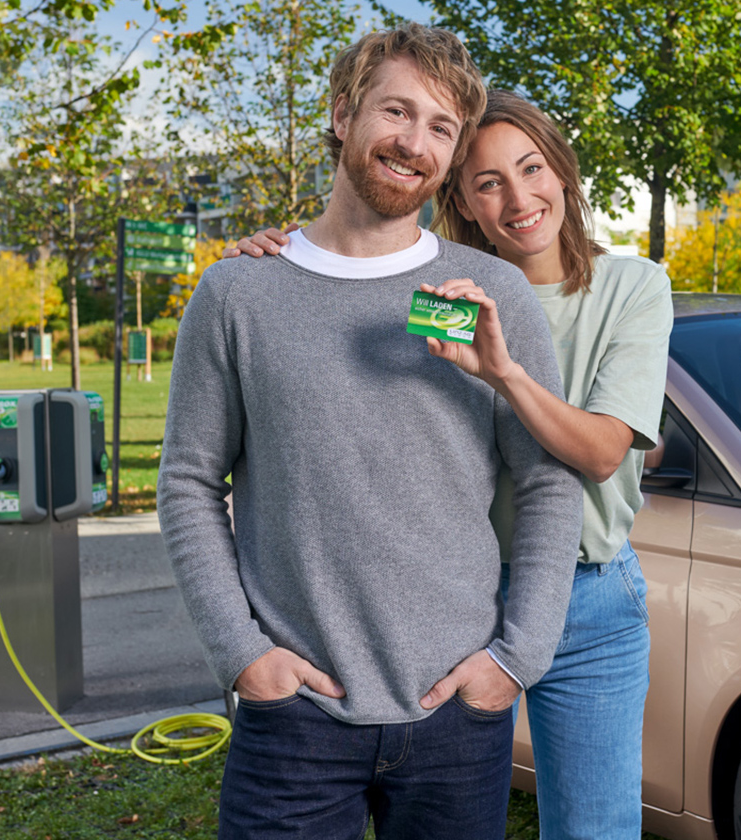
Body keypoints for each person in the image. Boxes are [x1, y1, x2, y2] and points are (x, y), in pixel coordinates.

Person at [157, 26, 583, 840]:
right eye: (396, 111)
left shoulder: (486, 294)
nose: (413, 142)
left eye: (440, 128)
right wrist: (244, 658)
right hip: (295, 718)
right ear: (344, 112)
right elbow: (186, 483)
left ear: (453, 155)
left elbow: (547, 481)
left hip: (460, 712)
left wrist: (513, 661)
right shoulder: (239, 293)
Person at [228, 89, 674, 840]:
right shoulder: (440, 293)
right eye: (488, 183)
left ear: (562, 172)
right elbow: (346, 335)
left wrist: (505, 373)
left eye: (532, 170)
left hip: (588, 600)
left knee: (595, 829)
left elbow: (600, 453)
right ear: (459, 198)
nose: (519, 199)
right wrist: (284, 255)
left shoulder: (632, 288)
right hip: (449, 606)